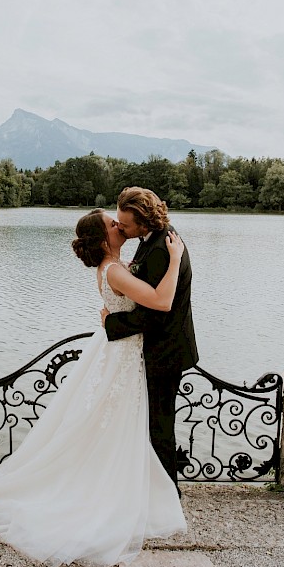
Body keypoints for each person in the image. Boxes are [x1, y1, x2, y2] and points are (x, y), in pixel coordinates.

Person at [0, 208, 187, 567]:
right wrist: (174, 261)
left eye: (119, 221)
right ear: (103, 238)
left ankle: (123, 488)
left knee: (114, 424)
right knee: (117, 422)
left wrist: (113, 316)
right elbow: (160, 301)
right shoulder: (115, 270)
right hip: (123, 355)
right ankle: (115, 493)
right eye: (112, 224)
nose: (118, 225)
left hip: (121, 352)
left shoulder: (118, 266)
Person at [103, 186, 199, 490]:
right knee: (152, 422)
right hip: (158, 346)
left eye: (125, 224)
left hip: (166, 349)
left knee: (159, 426)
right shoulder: (153, 240)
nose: (119, 227)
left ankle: (168, 494)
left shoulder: (161, 248)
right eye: (117, 222)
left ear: (144, 222)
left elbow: (155, 311)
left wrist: (113, 323)